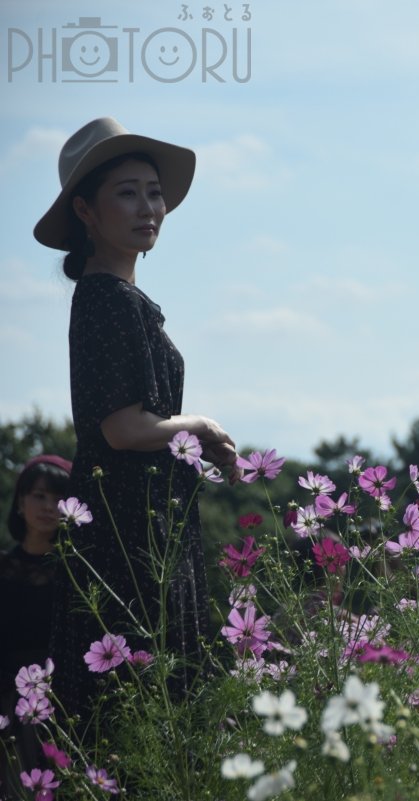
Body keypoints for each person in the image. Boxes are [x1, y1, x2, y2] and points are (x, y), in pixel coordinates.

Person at [34, 117, 241, 724]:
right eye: (126, 192)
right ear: (87, 212)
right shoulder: (107, 300)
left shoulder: (117, 298)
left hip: (144, 524)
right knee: (135, 716)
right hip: (127, 533)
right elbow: (121, 430)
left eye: (154, 191)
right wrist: (199, 424)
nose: (148, 206)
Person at [0, 455, 71, 797]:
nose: (48, 507)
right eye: (39, 495)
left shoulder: (77, 572)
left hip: (63, 702)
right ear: (20, 502)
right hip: (6, 704)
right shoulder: (3, 567)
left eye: (59, 498)